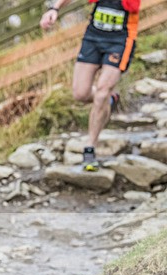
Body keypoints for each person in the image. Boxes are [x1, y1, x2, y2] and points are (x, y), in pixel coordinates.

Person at [40, 0, 139, 171]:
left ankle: (90, 149)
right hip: (93, 38)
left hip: (120, 41)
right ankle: (109, 100)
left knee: (102, 92)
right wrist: (54, 9)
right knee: (80, 93)